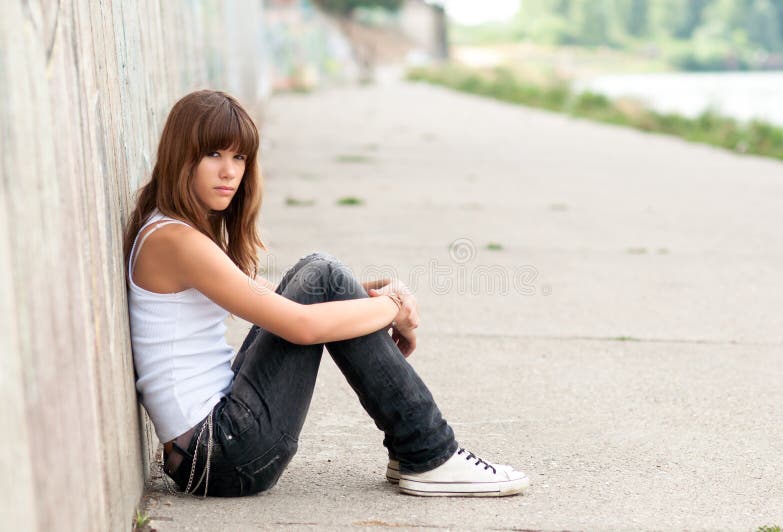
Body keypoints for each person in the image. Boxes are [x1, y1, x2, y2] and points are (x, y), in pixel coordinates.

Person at [124, 89, 529, 498]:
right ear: (182, 155)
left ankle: (415, 449)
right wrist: (391, 309)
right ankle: (430, 452)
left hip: (211, 449)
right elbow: (300, 325)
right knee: (325, 275)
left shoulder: (172, 229)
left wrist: (357, 296)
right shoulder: (176, 241)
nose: (230, 172)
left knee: (323, 278)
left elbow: (270, 295)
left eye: (240, 157)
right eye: (213, 154)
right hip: (223, 455)